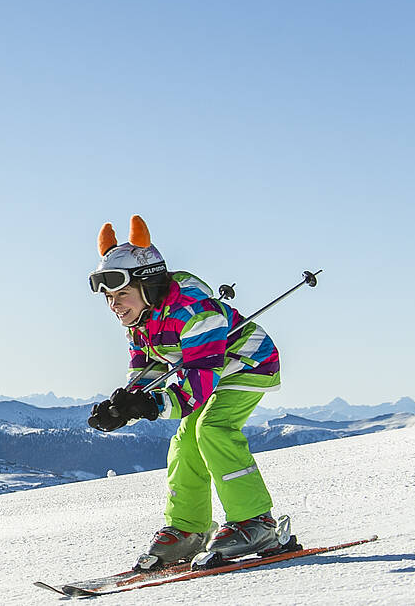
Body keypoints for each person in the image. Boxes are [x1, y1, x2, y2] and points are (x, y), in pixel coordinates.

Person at [85, 215, 285, 569]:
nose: (114, 306)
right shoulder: (140, 321)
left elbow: (198, 384)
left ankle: (257, 522)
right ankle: (189, 529)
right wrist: (123, 408)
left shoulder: (194, 313)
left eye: (121, 295)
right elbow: (146, 373)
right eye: (109, 298)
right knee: (185, 442)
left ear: (148, 287)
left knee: (212, 428)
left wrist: (149, 406)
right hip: (209, 375)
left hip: (248, 365)